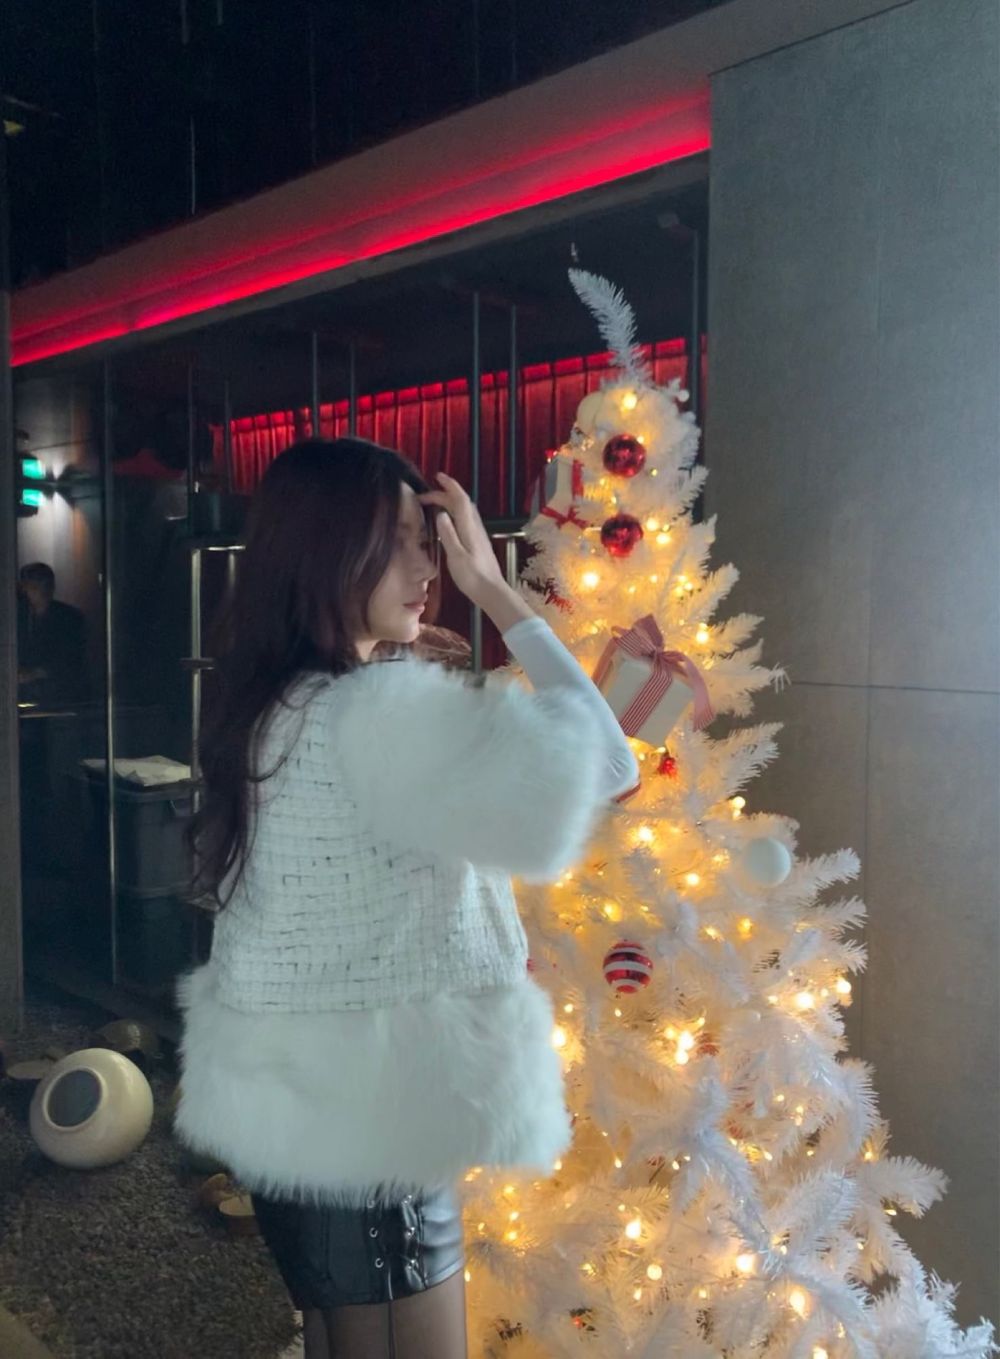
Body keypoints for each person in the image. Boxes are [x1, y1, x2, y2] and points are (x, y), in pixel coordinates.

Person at [175, 438, 638, 1359]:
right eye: (399, 540)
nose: (429, 565)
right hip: (376, 1142)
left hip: (304, 1124)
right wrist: (497, 591)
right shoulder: (378, 716)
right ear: (324, 548)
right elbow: (611, 766)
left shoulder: (273, 702)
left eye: (429, 541)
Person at [17, 562, 88, 705]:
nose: (40, 591)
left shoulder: (70, 618)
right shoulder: (17, 617)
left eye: (44, 585)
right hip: (23, 696)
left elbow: (72, 659)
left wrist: (36, 673)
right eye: (33, 586)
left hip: (61, 696)